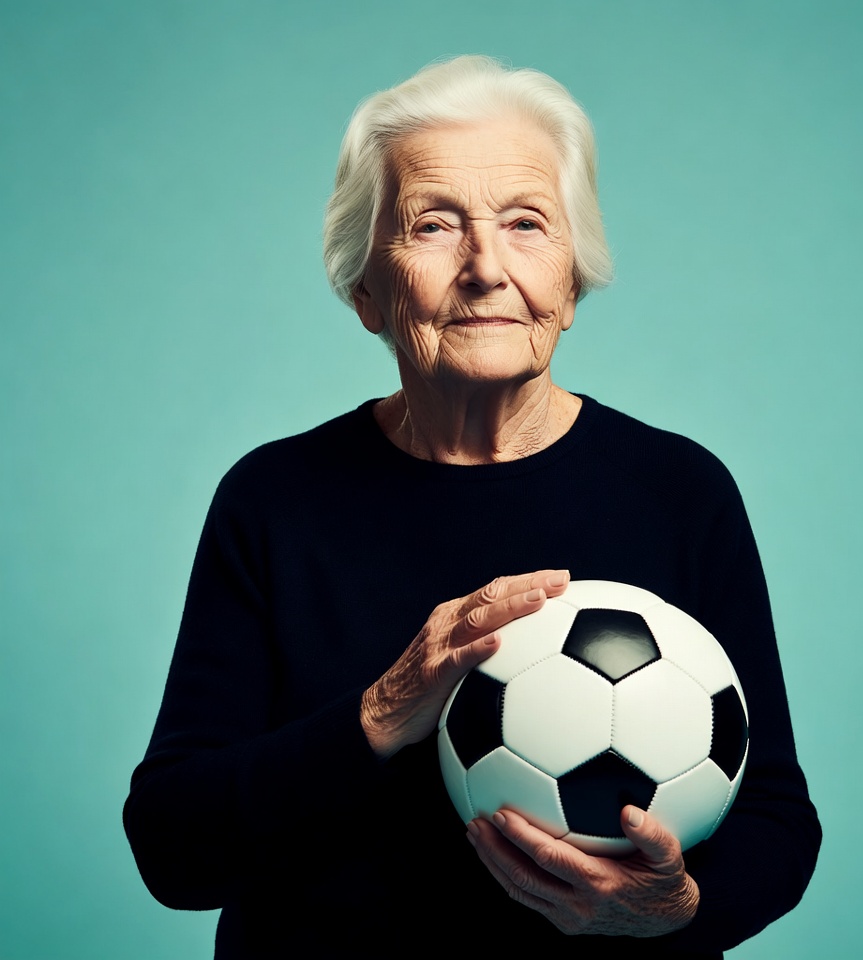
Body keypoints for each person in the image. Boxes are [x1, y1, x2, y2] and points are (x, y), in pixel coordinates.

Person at [124, 56, 820, 958]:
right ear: (366, 291)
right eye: (434, 225)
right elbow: (173, 848)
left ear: (572, 284)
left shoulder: (681, 492)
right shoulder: (274, 499)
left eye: (526, 223)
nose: (486, 269)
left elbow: (776, 820)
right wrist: (383, 710)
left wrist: (677, 906)